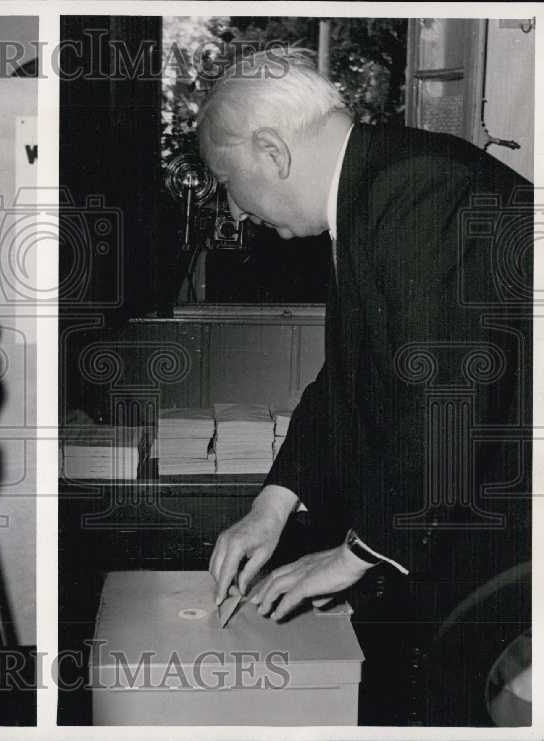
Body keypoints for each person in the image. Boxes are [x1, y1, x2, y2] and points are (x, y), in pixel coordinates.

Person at [202, 48, 530, 724]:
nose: (235, 210)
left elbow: (447, 398)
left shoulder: (419, 190)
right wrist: (272, 504)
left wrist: (357, 555)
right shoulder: (379, 185)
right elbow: (351, 376)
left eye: (227, 182)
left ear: (272, 151)